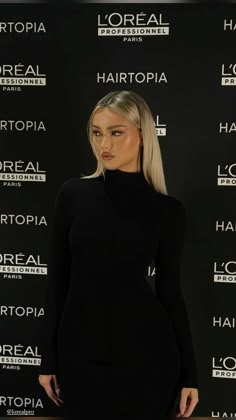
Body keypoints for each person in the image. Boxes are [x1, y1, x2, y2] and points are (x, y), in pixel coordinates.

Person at [38, 90, 199, 419]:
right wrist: (48, 359)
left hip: (148, 356)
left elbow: (170, 294)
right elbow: (58, 281)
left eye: (115, 132)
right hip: (79, 354)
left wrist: (190, 376)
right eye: (97, 133)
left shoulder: (167, 211)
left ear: (142, 135)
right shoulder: (73, 195)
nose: (104, 144)